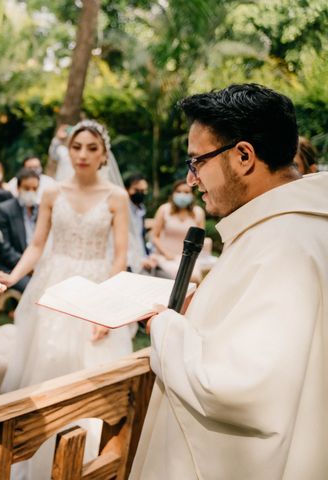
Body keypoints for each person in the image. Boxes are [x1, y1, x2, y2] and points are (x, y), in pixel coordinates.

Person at [131, 83, 328, 479]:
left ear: (242, 156)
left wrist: (165, 328)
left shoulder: (284, 243)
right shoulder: (291, 225)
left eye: (197, 162)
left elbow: (242, 387)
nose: (190, 181)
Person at [0, 119, 134, 478]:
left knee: (90, 372)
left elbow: (119, 258)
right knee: (49, 363)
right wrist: (13, 277)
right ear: (67, 150)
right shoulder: (52, 193)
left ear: (103, 155)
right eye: (76, 147)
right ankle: (38, 461)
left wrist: (107, 310)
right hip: (54, 287)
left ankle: (88, 462)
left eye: (91, 148)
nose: (82, 154)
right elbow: (37, 245)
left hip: (95, 288)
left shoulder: (117, 197)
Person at [0, 168, 40, 292]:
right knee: (34, 289)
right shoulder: (4, 210)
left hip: (39, 266)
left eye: (34, 189)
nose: (31, 192)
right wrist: (28, 267)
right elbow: (5, 250)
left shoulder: (41, 211)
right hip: (13, 268)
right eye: (27, 188)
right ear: (18, 188)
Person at [150, 179, 205, 281]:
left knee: (195, 277)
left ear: (192, 195)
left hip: (188, 258)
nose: (182, 195)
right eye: (179, 191)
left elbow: (199, 240)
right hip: (166, 257)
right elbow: (154, 236)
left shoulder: (198, 212)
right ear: (173, 194)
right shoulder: (164, 210)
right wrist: (166, 253)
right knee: (179, 276)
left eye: (186, 192)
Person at [124, 172, 156, 274]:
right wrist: (137, 260)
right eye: (136, 190)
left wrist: (147, 256)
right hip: (128, 259)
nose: (140, 193)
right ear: (127, 189)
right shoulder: (123, 210)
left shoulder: (141, 208)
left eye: (143, 191)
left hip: (142, 255)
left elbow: (140, 236)